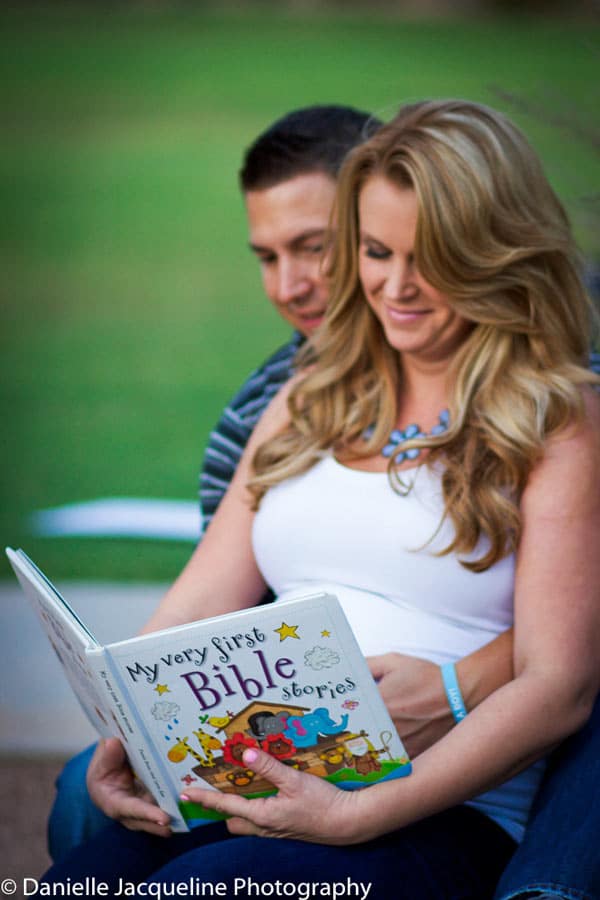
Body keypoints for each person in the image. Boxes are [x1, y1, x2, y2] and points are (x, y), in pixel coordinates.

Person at [42, 99, 600, 900]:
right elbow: (200, 597)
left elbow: (559, 687)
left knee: (205, 890)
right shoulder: (307, 395)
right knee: (80, 884)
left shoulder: (559, 417)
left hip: (437, 810)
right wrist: (128, 723)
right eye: (376, 252)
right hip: (252, 779)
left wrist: (361, 813)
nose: (397, 286)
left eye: (430, 256)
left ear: (491, 252)